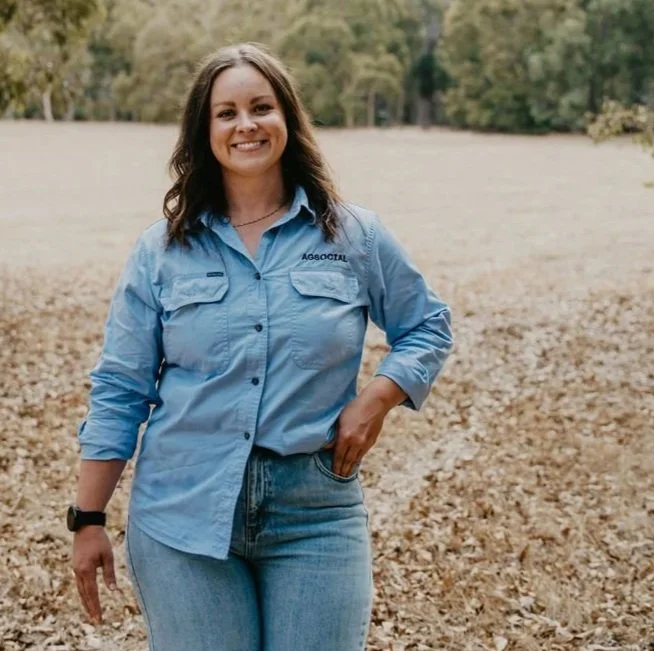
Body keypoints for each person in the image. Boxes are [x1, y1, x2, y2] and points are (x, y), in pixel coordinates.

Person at [68, 42, 453, 651]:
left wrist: (375, 400)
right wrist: (88, 519)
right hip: (181, 514)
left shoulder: (352, 235)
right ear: (205, 130)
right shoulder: (162, 251)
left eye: (260, 107)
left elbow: (427, 325)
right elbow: (121, 389)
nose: (245, 125)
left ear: (287, 120)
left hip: (315, 515)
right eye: (226, 113)